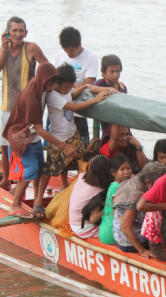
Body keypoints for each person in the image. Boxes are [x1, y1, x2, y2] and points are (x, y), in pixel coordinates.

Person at [32, 64, 110, 218]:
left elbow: (71, 96)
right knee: (50, 169)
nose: (68, 89)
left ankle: (73, 189)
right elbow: (72, 107)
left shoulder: (65, 91)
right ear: (57, 84)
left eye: (70, 86)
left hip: (72, 134)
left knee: (81, 161)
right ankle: (38, 201)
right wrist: (95, 100)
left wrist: (84, 87)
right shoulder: (53, 95)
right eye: (66, 86)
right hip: (59, 138)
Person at [0, 16, 48, 191]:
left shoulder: (31, 48)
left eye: (21, 30)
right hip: (7, 107)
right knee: (3, 145)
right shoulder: (5, 50)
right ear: (7, 32)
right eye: (14, 30)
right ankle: (6, 179)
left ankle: (31, 186)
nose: (18, 34)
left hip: (25, 111)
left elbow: (47, 68)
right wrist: (3, 48)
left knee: (25, 148)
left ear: (26, 32)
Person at [2, 63, 57, 218]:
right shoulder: (32, 98)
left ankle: (37, 204)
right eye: (51, 84)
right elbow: (40, 129)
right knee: (31, 168)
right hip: (20, 136)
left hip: (31, 134)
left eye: (54, 84)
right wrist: (62, 145)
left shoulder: (38, 83)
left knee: (40, 166)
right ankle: (15, 204)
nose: (53, 87)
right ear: (43, 81)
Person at [54, 26, 99, 148]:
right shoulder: (60, 56)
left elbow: (89, 83)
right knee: (57, 147)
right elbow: (55, 81)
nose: (69, 54)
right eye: (66, 51)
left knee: (81, 147)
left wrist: (70, 85)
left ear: (79, 44)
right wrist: (76, 85)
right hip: (59, 109)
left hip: (79, 111)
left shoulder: (90, 58)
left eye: (72, 51)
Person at [113, 162, 166, 256]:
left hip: (127, 231)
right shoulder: (135, 195)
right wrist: (142, 250)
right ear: (148, 182)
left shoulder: (137, 179)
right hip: (128, 241)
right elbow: (124, 227)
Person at [68, 154, 114, 238]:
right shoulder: (100, 190)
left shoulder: (81, 176)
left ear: (90, 168)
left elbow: (81, 164)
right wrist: (110, 206)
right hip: (83, 228)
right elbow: (94, 218)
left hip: (73, 222)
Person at [93, 55, 128, 144]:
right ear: (103, 72)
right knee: (107, 139)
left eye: (118, 71)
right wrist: (108, 89)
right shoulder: (102, 83)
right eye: (112, 72)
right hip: (107, 121)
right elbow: (92, 89)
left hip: (121, 120)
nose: (115, 74)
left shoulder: (122, 87)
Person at [99, 154, 132, 245]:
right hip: (111, 233)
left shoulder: (113, 184)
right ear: (113, 172)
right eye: (122, 169)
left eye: (128, 168)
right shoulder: (118, 187)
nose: (126, 172)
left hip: (105, 230)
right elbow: (116, 214)